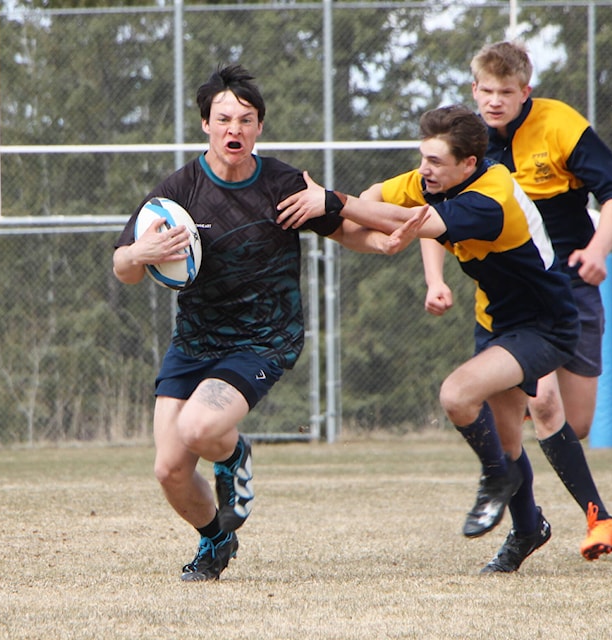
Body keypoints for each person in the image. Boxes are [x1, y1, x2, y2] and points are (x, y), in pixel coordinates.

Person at [113, 64, 426, 582]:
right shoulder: (178, 192)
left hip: (263, 338)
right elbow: (123, 270)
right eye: (223, 119)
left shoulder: (282, 183)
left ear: (259, 127)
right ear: (206, 125)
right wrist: (140, 253)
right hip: (194, 342)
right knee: (168, 468)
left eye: (246, 119)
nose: (234, 128)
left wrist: (383, 242)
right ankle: (216, 540)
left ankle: (234, 455)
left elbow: (345, 229)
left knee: (200, 427)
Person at [278, 104, 581, 574]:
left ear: (469, 164)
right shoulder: (434, 178)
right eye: (423, 157)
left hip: (548, 326)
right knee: (508, 439)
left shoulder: (491, 196)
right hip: (503, 323)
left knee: (457, 395)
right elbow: (376, 199)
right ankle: (527, 530)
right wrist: (339, 221)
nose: (424, 169)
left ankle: (494, 480)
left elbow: (422, 222)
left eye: (435, 161)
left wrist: (333, 201)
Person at [441, 40, 612, 561]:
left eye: (508, 92)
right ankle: (589, 520)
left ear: (527, 91)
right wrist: (435, 279)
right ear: (473, 89)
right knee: (540, 402)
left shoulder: (558, 125)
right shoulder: (465, 141)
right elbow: (430, 211)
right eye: (487, 90)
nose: (496, 101)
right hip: (511, 301)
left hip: (570, 283)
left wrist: (597, 250)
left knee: (576, 421)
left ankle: (533, 511)